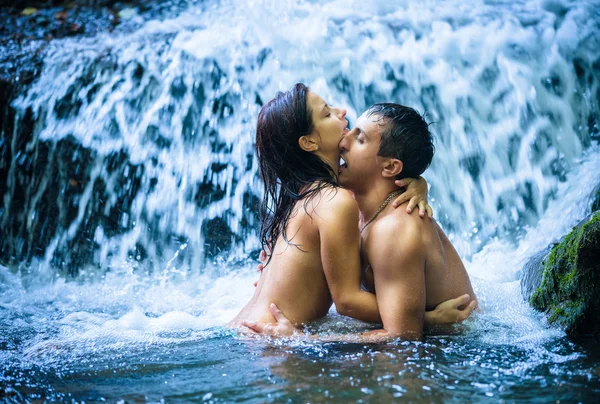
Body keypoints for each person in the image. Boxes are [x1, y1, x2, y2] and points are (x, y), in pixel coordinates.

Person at [230, 83, 475, 332]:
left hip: (245, 330)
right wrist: (424, 318)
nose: (342, 113)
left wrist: (418, 182)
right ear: (309, 142)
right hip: (270, 337)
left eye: (359, 138)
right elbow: (348, 302)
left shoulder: (309, 197)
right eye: (327, 113)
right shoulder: (336, 201)